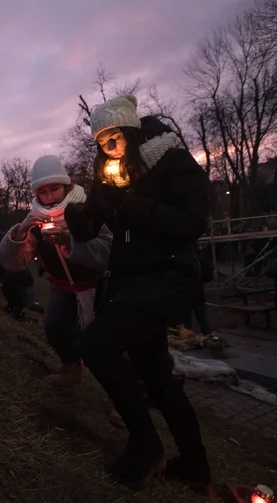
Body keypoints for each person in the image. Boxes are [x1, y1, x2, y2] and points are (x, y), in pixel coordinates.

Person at [64, 95, 211, 493]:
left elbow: (194, 220)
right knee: (157, 377)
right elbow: (91, 226)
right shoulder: (110, 172)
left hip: (168, 276)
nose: (107, 146)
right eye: (100, 141)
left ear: (129, 130)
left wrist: (133, 205)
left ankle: (145, 446)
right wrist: (79, 215)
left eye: (113, 137)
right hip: (131, 282)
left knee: (96, 345)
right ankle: (196, 466)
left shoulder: (170, 162)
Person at [0, 155, 112, 386]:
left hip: (97, 285)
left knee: (101, 339)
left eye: (55, 189)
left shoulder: (87, 212)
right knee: (53, 324)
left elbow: (108, 252)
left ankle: (121, 389)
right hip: (62, 286)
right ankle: (70, 369)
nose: (49, 198)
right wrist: (20, 232)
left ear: (67, 186)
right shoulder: (36, 222)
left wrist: (71, 241)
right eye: (43, 192)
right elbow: (11, 262)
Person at [0, 232, 43, 319]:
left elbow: (11, 270)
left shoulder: (5, 246)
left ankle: (46, 313)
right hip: (5, 284)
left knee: (30, 304)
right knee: (13, 306)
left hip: (21, 279)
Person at [183, 245, 214, 336]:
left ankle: (187, 336)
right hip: (198, 291)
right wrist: (200, 282)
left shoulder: (183, 260)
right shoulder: (202, 259)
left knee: (186, 318)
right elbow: (209, 275)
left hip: (186, 292)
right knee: (202, 316)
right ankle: (207, 334)